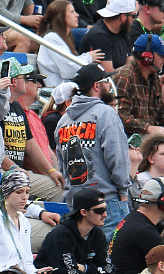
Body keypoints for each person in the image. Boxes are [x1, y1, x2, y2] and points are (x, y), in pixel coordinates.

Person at [55, 64, 132, 240]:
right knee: (110, 260)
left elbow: (63, 166)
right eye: (105, 81)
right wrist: (123, 193)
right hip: (106, 203)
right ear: (96, 86)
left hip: (76, 205)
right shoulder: (106, 114)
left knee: (86, 259)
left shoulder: (63, 122)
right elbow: (118, 159)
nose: (109, 86)